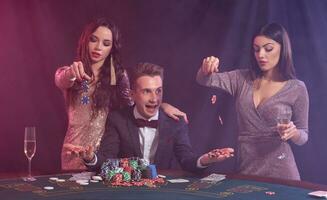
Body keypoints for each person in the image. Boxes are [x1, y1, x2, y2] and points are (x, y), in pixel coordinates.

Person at [55, 18, 188, 171]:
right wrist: (72, 72)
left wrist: (162, 105)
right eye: (93, 40)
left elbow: (136, 104)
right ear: (85, 41)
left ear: (112, 48)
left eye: (106, 43)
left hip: (105, 156)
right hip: (74, 152)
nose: (98, 47)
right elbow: (61, 80)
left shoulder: (118, 77)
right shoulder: (69, 73)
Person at [196, 23, 309, 180]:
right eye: (256, 49)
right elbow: (204, 79)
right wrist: (206, 67)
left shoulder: (296, 87)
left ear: (282, 49)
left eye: (268, 49)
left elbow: (304, 135)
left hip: (282, 171)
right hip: (246, 168)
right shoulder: (241, 79)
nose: (261, 55)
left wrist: (294, 132)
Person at [78, 62, 234, 173]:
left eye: (158, 91)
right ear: (132, 94)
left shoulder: (176, 122)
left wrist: (206, 159)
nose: (154, 99)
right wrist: (91, 158)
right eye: (147, 91)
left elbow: (187, 160)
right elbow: (106, 161)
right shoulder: (117, 119)